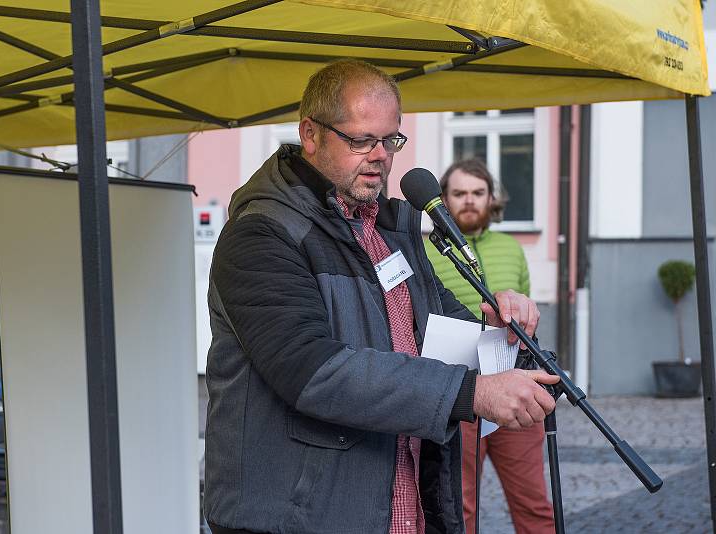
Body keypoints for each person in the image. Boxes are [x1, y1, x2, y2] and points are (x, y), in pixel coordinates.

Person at [203, 59, 559, 534]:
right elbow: (312, 371)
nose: (381, 156)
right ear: (310, 135)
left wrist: (494, 329)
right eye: (361, 140)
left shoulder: (388, 230)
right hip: (299, 518)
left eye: (390, 140)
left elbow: (431, 330)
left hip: (400, 507)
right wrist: (471, 393)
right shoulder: (260, 235)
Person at [424, 158, 556, 534]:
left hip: (516, 377)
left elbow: (527, 307)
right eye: (459, 193)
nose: (469, 201)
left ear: (490, 199)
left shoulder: (511, 247)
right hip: (462, 386)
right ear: (445, 201)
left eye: (477, 193)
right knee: (459, 505)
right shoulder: (428, 251)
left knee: (534, 503)